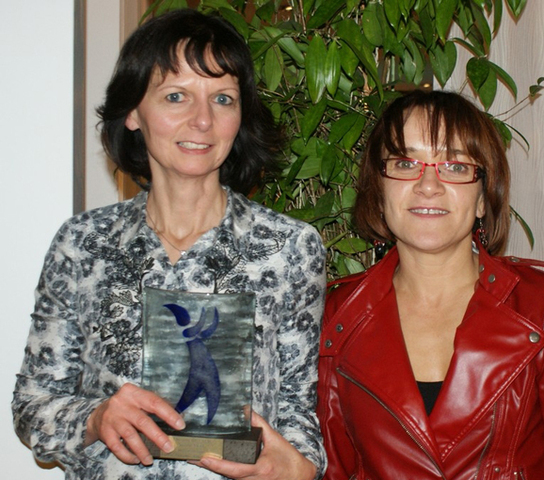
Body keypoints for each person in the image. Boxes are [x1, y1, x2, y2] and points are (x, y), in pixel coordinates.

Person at [12, 9, 326, 480]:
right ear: (134, 112)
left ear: (240, 117)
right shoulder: (83, 245)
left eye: (222, 98)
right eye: (176, 96)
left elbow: (300, 411)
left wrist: (297, 468)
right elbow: (33, 405)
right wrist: (96, 419)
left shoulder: (289, 248)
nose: (202, 120)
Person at [317, 90, 544, 479]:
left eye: (455, 167)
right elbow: (334, 468)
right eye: (406, 163)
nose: (428, 184)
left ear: (481, 198)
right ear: (378, 190)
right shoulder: (337, 314)